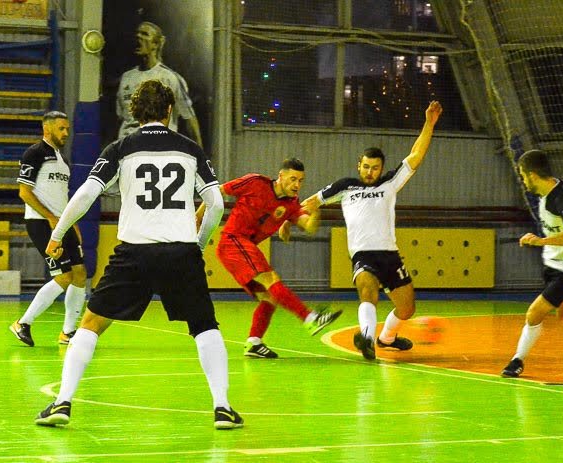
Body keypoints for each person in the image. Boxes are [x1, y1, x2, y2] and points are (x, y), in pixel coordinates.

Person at [35, 79, 242, 430]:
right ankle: (222, 408)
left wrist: (57, 234)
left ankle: (62, 403)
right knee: (205, 326)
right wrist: (199, 245)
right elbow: (216, 203)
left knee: (90, 324)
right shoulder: (189, 149)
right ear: (169, 111)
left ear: (134, 113)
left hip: (134, 253)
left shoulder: (121, 148)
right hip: (180, 252)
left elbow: (86, 195)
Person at [299, 101, 442, 360]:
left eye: (374, 167)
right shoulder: (344, 187)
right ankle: (366, 339)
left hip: (389, 254)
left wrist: (429, 124)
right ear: (358, 165)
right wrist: (286, 219)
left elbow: (415, 156)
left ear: (380, 167)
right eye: (365, 166)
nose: (369, 171)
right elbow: (309, 203)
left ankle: (386, 338)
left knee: (407, 308)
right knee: (367, 289)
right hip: (362, 254)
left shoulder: (390, 182)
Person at [195, 159, 342, 359]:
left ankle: (254, 343)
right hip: (233, 241)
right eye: (292, 179)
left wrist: (316, 210)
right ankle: (310, 318)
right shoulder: (256, 182)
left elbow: (309, 227)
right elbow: (217, 191)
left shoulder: (291, 203)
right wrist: (198, 216)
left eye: (300, 181)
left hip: (245, 247)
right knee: (271, 279)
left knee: (270, 297)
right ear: (280, 176)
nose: (297, 185)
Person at [501, 149, 563, 378]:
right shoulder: (556, 189)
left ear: (533, 175)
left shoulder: (561, 198)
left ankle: (517, 361)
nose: (523, 181)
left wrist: (541, 241)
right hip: (555, 262)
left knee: (534, 314)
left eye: (524, 176)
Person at [10, 111, 86, 347]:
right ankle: (23, 323)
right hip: (42, 223)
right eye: (61, 128)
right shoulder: (34, 153)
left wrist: (71, 223)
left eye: (67, 129)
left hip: (61, 224)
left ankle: (68, 332)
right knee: (63, 277)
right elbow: (24, 192)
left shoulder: (61, 160)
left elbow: (61, 198)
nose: (66, 133)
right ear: (47, 129)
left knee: (80, 274)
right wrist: (51, 218)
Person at [116, 21, 203, 147]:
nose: (139, 37)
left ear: (155, 44)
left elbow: (189, 119)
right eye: (137, 34)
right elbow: (122, 118)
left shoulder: (169, 78)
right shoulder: (126, 78)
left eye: (145, 34)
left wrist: (201, 157)